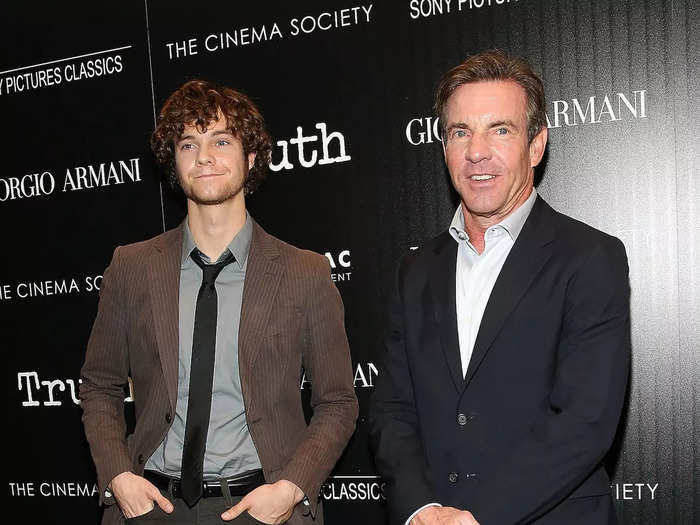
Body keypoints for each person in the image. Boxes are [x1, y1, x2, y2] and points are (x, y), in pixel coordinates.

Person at [369, 50, 630, 525]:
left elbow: (585, 421)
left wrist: (477, 517)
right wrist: (421, 508)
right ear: (443, 146)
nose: (476, 152)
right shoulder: (415, 270)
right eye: (460, 132)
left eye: (500, 130)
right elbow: (391, 408)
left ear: (536, 145)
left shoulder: (591, 258)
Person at [80, 79, 358, 525]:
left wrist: (290, 489)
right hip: (151, 505)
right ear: (174, 162)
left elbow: (338, 402)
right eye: (188, 143)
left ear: (250, 159)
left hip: (262, 508)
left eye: (221, 141)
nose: (204, 156)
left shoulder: (304, 272)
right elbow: (98, 384)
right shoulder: (131, 267)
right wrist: (117, 476)